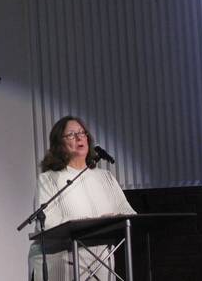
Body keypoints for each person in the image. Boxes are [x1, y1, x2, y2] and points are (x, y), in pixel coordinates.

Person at [28, 116, 136, 281]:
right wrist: (92, 223)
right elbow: (48, 223)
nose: (79, 137)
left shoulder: (105, 177)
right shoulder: (49, 179)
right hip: (63, 266)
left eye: (82, 133)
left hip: (102, 266)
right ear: (59, 145)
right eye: (71, 135)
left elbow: (127, 212)